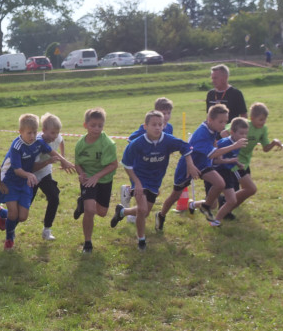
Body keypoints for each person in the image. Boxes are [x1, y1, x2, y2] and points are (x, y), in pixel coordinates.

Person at [111, 109, 194, 250]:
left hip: (155, 180)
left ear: (164, 126)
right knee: (142, 210)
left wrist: (190, 164)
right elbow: (126, 164)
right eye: (153, 124)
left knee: (145, 212)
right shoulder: (137, 143)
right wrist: (136, 182)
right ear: (145, 127)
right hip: (140, 177)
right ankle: (141, 241)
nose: (157, 127)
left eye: (160, 124)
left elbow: (186, 147)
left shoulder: (167, 140)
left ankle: (122, 212)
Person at [0, 113, 72, 250]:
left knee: (23, 216)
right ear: (20, 132)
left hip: (30, 178)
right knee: (15, 214)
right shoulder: (17, 146)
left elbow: (55, 149)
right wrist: (29, 174)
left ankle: (4, 214)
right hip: (13, 179)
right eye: (29, 133)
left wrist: (65, 161)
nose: (32, 136)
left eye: (34, 132)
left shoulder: (39, 142)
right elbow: (17, 169)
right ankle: (9, 238)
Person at [158, 105, 233, 224]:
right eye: (221, 121)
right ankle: (161, 215)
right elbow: (212, 154)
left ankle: (205, 207)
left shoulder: (212, 127)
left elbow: (213, 141)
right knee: (175, 196)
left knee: (220, 183)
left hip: (202, 164)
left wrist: (216, 146)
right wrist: (234, 146)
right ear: (210, 120)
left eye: (225, 121)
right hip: (187, 166)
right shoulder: (202, 133)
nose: (224, 125)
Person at [72, 107, 118, 254]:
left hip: (104, 179)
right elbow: (77, 163)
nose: (97, 129)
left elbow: (113, 164)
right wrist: (81, 174)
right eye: (93, 125)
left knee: (102, 212)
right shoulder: (80, 143)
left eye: (100, 125)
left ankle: (81, 203)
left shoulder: (108, 144)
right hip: (88, 180)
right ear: (85, 125)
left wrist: (97, 176)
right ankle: (88, 243)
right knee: (90, 210)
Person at [233, 102, 282, 210]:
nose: (263, 122)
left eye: (265, 119)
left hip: (245, 162)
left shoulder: (263, 129)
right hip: (235, 162)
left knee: (247, 191)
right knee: (250, 189)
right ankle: (226, 203)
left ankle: (227, 208)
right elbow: (226, 131)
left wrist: (274, 142)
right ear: (252, 118)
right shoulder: (244, 124)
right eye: (261, 119)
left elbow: (265, 148)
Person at [31, 112, 66, 241]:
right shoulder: (36, 142)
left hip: (45, 173)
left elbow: (61, 141)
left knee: (54, 197)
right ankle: (5, 215)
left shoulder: (57, 137)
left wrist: (63, 158)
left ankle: (47, 230)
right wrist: (48, 161)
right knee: (25, 207)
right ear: (43, 130)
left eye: (57, 133)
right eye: (52, 133)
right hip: (32, 175)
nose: (55, 136)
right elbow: (33, 167)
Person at [209, 117, 250, 225]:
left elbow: (232, 156)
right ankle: (215, 220)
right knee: (224, 202)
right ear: (232, 132)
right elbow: (216, 161)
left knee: (230, 201)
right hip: (219, 172)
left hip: (227, 172)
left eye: (246, 134)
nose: (244, 136)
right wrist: (231, 160)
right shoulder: (224, 143)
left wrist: (238, 163)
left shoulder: (238, 143)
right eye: (241, 133)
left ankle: (215, 221)